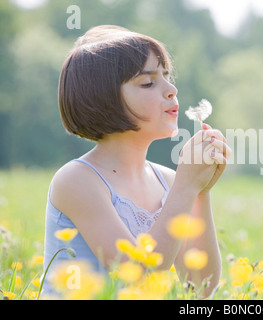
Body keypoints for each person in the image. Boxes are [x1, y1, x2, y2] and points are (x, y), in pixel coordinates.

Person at [42, 25, 230, 298]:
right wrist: (186, 186)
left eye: (167, 76)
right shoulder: (77, 180)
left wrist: (201, 190)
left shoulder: (168, 181)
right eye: (148, 82)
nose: (171, 89)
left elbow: (200, 286)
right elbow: (137, 275)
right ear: (103, 100)